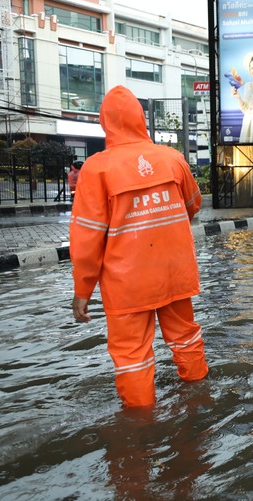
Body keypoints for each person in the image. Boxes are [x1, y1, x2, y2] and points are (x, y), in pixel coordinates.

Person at [69, 85, 208, 408]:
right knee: (186, 337)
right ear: (140, 119)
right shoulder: (172, 159)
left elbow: (87, 237)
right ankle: (200, 402)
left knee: (132, 355)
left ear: (106, 123)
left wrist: (82, 290)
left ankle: (139, 426)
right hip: (175, 272)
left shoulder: (97, 168)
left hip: (127, 282)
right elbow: (192, 205)